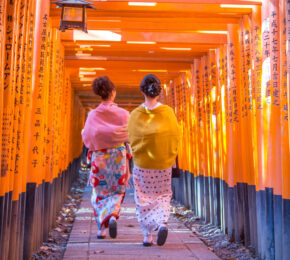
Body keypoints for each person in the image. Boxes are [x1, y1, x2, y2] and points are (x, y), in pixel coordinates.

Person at [127, 74, 180, 247]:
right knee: (163, 195)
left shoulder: (136, 114)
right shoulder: (168, 113)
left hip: (143, 164)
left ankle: (147, 236)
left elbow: (131, 137)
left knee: (142, 197)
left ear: (142, 90)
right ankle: (162, 222)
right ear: (159, 91)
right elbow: (175, 136)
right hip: (163, 163)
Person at [82, 76, 131, 239]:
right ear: (113, 92)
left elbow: (87, 137)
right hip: (118, 157)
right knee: (117, 190)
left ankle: (101, 229)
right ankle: (113, 214)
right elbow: (130, 134)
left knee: (99, 191)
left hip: (99, 158)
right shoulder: (124, 114)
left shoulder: (93, 115)